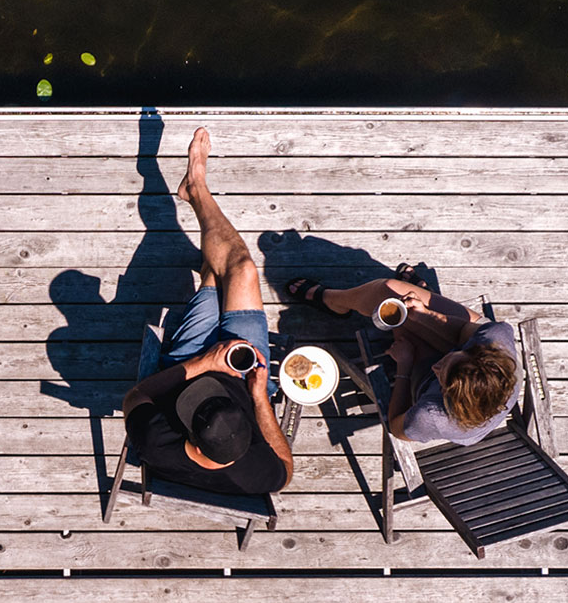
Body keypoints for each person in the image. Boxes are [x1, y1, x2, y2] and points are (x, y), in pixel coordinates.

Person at [122, 129, 293, 494]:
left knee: (227, 274)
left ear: (194, 441)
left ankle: (196, 191)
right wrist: (259, 396)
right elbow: (286, 470)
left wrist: (206, 364)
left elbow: (135, 398)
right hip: (246, 371)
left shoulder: (157, 442)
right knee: (237, 269)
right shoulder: (258, 473)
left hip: (185, 365)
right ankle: (197, 197)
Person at [287, 271, 521, 445]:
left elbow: (396, 425)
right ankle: (335, 300)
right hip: (466, 359)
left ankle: (330, 300)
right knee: (389, 295)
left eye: (442, 373)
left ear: (447, 393)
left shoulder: (432, 415)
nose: (437, 365)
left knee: (398, 321)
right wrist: (425, 315)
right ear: (478, 352)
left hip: (422, 383)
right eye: (449, 358)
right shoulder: (495, 339)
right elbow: (462, 333)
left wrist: (405, 366)